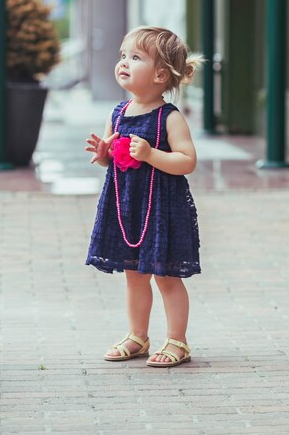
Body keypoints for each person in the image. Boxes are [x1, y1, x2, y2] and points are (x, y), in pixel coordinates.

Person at [85, 26, 203, 367]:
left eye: (135, 58)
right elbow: (114, 159)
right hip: (126, 209)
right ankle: (138, 335)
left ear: (160, 74)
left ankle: (177, 341)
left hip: (162, 209)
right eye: (123, 56)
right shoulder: (117, 113)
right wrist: (103, 153)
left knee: (166, 275)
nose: (124, 62)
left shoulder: (169, 117)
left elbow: (187, 161)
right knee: (134, 275)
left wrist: (151, 154)